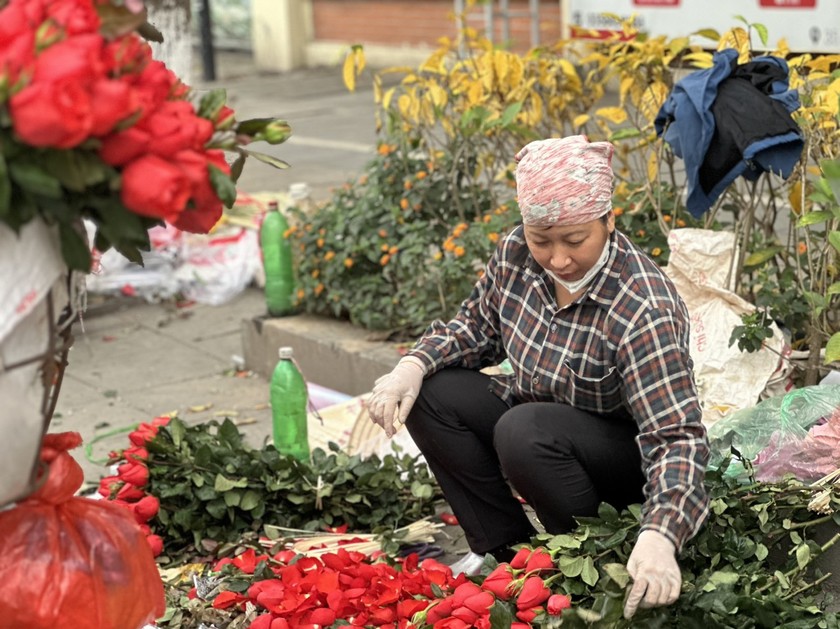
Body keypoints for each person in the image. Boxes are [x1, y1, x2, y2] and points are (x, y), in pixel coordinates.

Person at [368, 135, 710, 619]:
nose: (558, 259)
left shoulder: (641, 308)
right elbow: (474, 328)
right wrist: (412, 365)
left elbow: (676, 438)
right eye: (541, 240)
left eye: (575, 240)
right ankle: (510, 554)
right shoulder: (516, 255)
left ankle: (588, 556)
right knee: (433, 393)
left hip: (616, 461)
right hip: (535, 424)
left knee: (525, 429)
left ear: (609, 222)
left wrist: (661, 535)